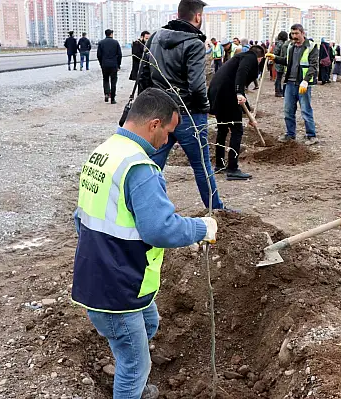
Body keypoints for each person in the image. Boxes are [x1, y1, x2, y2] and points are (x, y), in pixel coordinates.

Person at [72, 87, 218, 399]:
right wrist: (201, 227)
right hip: (117, 289)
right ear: (154, 124)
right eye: (168, 131)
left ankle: (133, 384)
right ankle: (131, 387)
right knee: (135, 363)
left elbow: (79, 217)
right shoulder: (139, 168)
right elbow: (160, 230)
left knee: (149, 321)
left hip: (100, 275)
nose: (168, 141)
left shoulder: (104, 153)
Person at [142, 0, 227, 211]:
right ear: (197, 16)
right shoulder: (195, 43)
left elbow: (144, 76)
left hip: (161, 113)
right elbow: (197, 87)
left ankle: (145, 207)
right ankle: (215, 210)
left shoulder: (155, 38)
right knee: (201, 166)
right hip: (188, 114)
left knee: (152, 164)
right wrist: (205, 107)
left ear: (178, 13)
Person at [209, 45, 266, 181]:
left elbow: (238, 87)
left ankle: (220, 164)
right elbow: (241, 73)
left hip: (217, 94)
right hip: (228, 95)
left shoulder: (237, 58)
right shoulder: (250, 58)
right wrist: (239, 92)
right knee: (237, 129)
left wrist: (249, 114)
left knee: (222, 129)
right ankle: (233, 168)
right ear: (260, 58)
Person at [265, 23, 319, 146]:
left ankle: (311, 135)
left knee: (305, 110)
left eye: (296, 33)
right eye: (292, 33)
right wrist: (275, 57)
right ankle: (290, 134)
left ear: (303, 33)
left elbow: (313, 65)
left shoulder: (311, 47)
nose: (294, 36)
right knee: (288, 110)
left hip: (303, 84)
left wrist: (306, 80)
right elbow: (287, 61)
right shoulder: (290, 46)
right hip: (290, 83)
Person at [97, 29, 122, 104]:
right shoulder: (115, 42)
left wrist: (101, 63)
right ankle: (113, 99)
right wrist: (118, 65)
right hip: (113, 65)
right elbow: (119, 55)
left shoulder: (101, 43)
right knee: (113, 81)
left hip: (105, 64)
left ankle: (107, 93)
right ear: (111, 34)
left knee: (105, 79)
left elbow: (99, 55)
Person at [273, 31, 289, 97]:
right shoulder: (280, 43)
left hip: (280, 61)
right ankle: (277, 91)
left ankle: (279, 89)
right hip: (279, 62)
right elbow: (275, 52)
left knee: (279, 77)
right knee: (278, 78)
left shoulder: (281, 43)